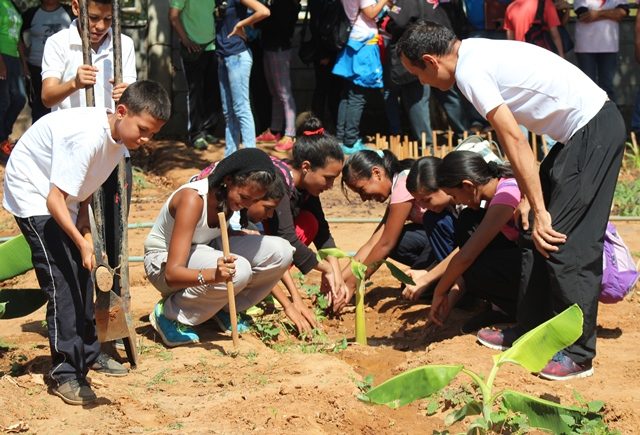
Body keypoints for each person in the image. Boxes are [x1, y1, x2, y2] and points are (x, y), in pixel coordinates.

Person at [398, 21, 625, 380]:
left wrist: (538, 206)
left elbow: (515, 141)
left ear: (430, 60)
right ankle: (530, 328)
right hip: (575, 136)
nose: (423, 83)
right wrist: (530, 204)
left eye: (418, 74)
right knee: (530, 234)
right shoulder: (474, 53)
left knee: (564, 242)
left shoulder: (470, 70)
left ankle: (579, 355)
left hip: (592, 130)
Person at [2, 80, 170, 406]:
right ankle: (66, 372)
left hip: (62, 194)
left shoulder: (119, 140)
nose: (147, 139)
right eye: (144, 130)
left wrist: (84, 225)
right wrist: (80, 241)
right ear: (122, 112)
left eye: (153, 133)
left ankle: (88, 357)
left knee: (84, 277)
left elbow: (88, 180)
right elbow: (53, 200)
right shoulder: (87, 139)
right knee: (62, 281)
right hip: (34, 192)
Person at [144, 148, 295, 347]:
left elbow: (207, 236)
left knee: (282, 251)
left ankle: (222, 310)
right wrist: (213, 276)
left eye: (253, 201)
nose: (247, 205)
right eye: (244, 197)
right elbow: (172, 274)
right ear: (229, 180)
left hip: (202, 250)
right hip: (162, 264)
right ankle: (172, 314)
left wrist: (238, 236)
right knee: (238, 269)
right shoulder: (193, 199)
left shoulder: (227, 198)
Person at [40, 0, 137, 296]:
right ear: (75, 8)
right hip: (73, 156)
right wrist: (73, 83)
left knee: (114, 233)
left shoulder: (124, 44)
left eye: (108, 19)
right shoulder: (58, 43)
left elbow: (135, 103)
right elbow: (47, 96)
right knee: (73, 233)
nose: (100, 26)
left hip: (112, 153)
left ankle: (113, 306)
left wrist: (127, 94)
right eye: (94, 18)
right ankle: (79, 310)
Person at [410, 151, 521, 333]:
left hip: (541, 271)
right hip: (525, 262)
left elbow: (465, 257)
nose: (456, 201)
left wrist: (438, 291)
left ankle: (523, 313)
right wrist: (448, 300)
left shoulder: (505, 196)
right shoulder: (496, 194)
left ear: (468, 186)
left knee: (472, 262)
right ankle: (504, 309)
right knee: (468, 221)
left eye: (454, 195)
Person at [338, 149, 456, 312]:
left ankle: (451, 282)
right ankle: (434, 273)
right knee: (397, 251)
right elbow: (373, 242)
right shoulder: (397, 187)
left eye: (361, 190)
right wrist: (340, 280)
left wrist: (352, 284)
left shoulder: (403, 183)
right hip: (435, 237)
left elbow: (385, 244)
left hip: (451, 235)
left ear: (377, 173)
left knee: (412, 283)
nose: (364, 198)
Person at [264, 115, 349, 310]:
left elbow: (322, 231)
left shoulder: (306, 187)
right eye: (327, 178)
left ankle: (269, 283)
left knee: (311, 222)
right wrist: (324, 268)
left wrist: (335, 272)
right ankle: (262, 286)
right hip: (250, 239)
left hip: (274, 242)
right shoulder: (280, 183)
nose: (330, 186)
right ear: (306, 167)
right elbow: (286, 238)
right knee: (288, 240)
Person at [381, 0, 468, 145]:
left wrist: (387, 23)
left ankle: (427, 144)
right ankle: (464, 134)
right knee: (448, 96)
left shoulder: (407, 2)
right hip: (441, 57)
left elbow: (397, 22)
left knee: (418, 101)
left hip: (419, 57)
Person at [333, 0, 390, 155]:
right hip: (363, 45)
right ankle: (350, 141)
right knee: (357, 96)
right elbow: (370, 13)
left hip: (353, 42)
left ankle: (341, 138)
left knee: (347, 95)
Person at [215, 0, 270, 157]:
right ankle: (230, 156)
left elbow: (264, 11)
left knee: (241, 108)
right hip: (223, 57)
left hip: (237, 56)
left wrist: (241, 25)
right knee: (229, 112)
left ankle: (250, 156)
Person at [401, 156, 458, 301]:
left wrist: (427, 277)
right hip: (461, 258)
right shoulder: (439, 212)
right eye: (419, 201)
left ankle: (459, 285)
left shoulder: (470, 203)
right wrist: (425, 271)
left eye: (426, 200)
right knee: (432, 218)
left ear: (442, 185)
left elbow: (468, 248)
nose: (423, 206)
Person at [169, 0, 222, 150]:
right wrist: (185, 40)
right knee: (195, 91)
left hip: (212, 46)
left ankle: (208, 130)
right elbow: (173, 16)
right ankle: (196, 134)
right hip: (193, 49)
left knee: (213, 91)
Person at [254, 0, 300, 152]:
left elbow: (275, 24)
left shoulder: (285, 4)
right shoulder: (276, 3)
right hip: (270, 47)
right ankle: (275, 130)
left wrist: (258, 23)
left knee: (284, 94)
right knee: (275, 92)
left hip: (279, 49)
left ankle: (290, 134)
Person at [20, 0, 72, 124]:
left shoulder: (70, 12)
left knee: (64, 106)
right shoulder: (31, 14)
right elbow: (16, 35)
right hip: (36, 67)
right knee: (39, 106)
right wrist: (24, 61)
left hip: (65, 69)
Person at [573, 0, 628, 104]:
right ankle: (589, 118)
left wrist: (597, 13)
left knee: (607, 86)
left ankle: (610, 116)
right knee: (587, 86)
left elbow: (623, 13)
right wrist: (612, 13)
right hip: (585, 48)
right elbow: (583, 15)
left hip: (610, 47)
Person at [0, 0, 27, 157]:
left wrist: (23, 64)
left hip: (14, 58)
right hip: (2, 55)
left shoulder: (13, 5)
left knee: (19, 99)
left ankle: (3, 136)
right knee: (3, 101)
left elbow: (18, 39)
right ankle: (2, 140)